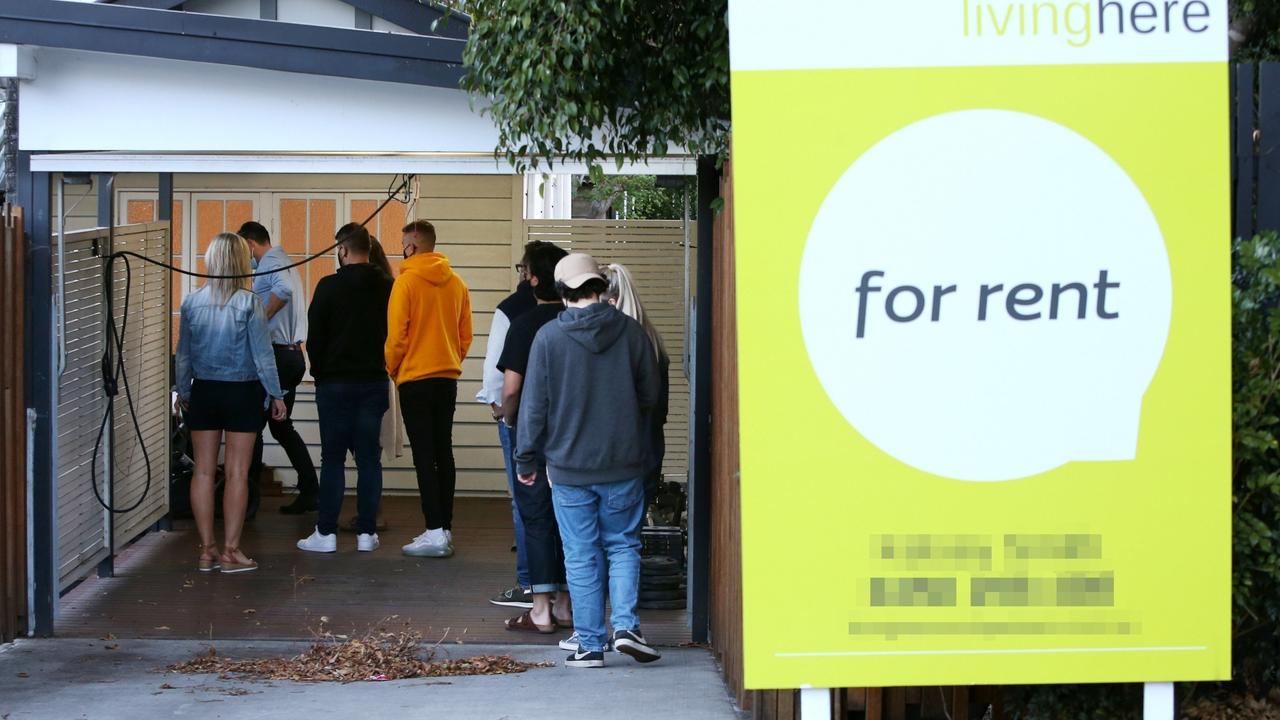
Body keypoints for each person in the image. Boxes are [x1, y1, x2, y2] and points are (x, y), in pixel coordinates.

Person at [514, 253, 662, 668]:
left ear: (562, 293)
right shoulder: (632, 334)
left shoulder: (548, 339)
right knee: (623, 545)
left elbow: (533, 408)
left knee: (580, 553)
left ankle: (591, 645)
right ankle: (627, 626)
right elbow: (651, 397)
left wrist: (525, 459)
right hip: (623, 463)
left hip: (568, 467)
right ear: (601, 288)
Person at [175, 233, 287, 573]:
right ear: (241, 261)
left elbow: (183, 356)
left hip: (205, 391)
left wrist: (184, 392)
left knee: (204, 471)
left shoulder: (192, 302)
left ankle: (206, 550)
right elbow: (263, 356)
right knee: (237, 472)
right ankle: (230, 551)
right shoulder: (249, 303)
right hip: (243, 392)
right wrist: (276, 394)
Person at [297, 223, 394, 554]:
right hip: (373, 381)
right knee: (369, 460)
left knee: (333, 458)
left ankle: (326, 533)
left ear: (342, 249)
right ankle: (367, 534)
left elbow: (316, 339)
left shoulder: (328, 286)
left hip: (335, 383)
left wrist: (321, 375)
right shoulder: (388, 286)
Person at [386, 219, 473, 558]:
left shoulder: (405, 283)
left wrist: (394, 368)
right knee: (443, 451)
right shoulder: (457, 284)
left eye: (404, 241)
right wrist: (451, 357)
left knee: (424, 454)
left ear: (414, 244)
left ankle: (434, 530)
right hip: (446, 376)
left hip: (414, 378)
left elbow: (397, 337)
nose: (401, 248)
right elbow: (465, 335)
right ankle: (444, 526)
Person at [497, 242, 571, 632]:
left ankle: (540, 609)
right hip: (574, 436)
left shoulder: (525, 323)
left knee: (537, 518)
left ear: (536, 278)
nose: (522, 275)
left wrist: (510, 420)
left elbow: (511, 389)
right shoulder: (576, 322)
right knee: (571, 519)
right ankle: (566, 604)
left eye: (525, 269)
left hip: (533, 437)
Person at [479, 242, 543, 609]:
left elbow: (494, 370)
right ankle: (555, 585)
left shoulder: (510, 309)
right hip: (558, 419)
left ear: (527, 272)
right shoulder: (564, 311)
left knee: (522, 499)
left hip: (517, 415)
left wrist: (499, 409)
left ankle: (528, 582)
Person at [239, 221, 318, 515]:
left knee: (253, 427)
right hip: (292, 356)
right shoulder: (284, 260)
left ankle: (247, 501)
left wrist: (260, 320)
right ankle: (311, 489)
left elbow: (282, 291)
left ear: (249, 242)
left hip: (276, 356)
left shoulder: (270, 262)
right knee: (281, 426)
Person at [603, 263, 670, 507]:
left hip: (617, 456)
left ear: (611, 302)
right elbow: (659, 407)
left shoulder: (614, 344)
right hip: (649, 448)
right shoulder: (652, 338)